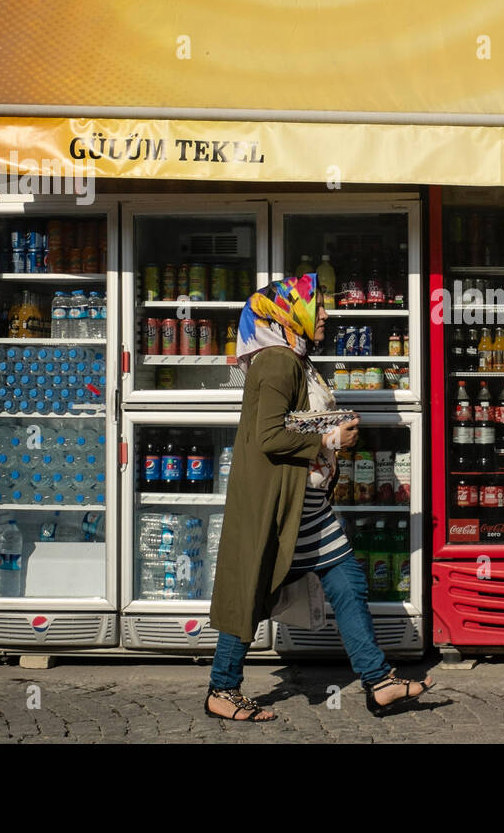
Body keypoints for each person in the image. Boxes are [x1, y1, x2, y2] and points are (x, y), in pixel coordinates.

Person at [204, 273, 432, 721]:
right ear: (288, 312)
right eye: (318, 306)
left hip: (304, 503)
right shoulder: (277, 361)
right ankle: (221, 689)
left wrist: (331, 426)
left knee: (347, 584)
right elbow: (269, 436)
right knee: (250, 591)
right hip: (278, 503)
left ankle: (379, 681)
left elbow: (291, 421)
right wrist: (330, 439)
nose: (326, 314)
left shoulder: (292, 357)